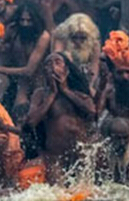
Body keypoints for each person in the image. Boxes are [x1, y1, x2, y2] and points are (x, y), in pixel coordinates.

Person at [26, 53, 96, 184]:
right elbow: (31, 121)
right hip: (54, 157)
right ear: (44, 72)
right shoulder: (40, 94)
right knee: (58, 196)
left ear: (67, 70)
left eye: (57, 62)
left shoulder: (79, 92)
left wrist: (65, 90)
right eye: (48, 64)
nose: (52, 67)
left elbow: (92, 111)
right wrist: (52, 95)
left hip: (80, 155)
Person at [0, 1, 50, 110]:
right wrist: (1, 47)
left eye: (29, 21)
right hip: (11, 70)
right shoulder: (13, 29)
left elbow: (29, 71)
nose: (25, 24)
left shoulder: (43, 37)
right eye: (22, 20)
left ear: (36, 20)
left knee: (20, 107)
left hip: (35, 78)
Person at [52, 13, 101, 92]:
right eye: (74, 37)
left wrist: (89, 87)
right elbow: (57, 60)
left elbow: (94, 68)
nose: (78, 41)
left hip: (85, 82)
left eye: (83, 38)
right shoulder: (61, 38)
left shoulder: (94, 44)